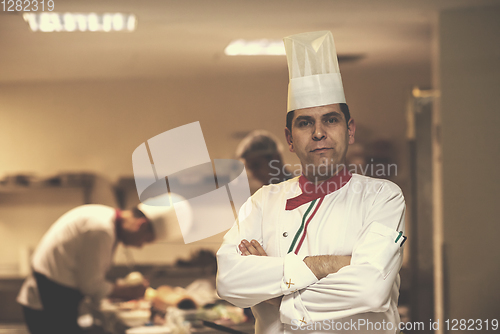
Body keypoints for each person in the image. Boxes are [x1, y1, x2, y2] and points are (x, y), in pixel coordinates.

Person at [216, 31, 406, 334]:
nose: (319, 132)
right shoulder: (262, 203)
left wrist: (277, 292)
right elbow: (229, 280)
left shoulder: (381, 197)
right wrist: (326, 265)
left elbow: (370, 289)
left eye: (330, 119)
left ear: (350, 130)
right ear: (290, 138)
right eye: (305, 123)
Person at [17, 193, 188, 334]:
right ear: (141, 225)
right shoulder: (101, 229)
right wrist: (129, 291)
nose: (141, 246)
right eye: (146, 240)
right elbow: (90, 285)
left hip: (53, 300)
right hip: (47, 306)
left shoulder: (104, 218)